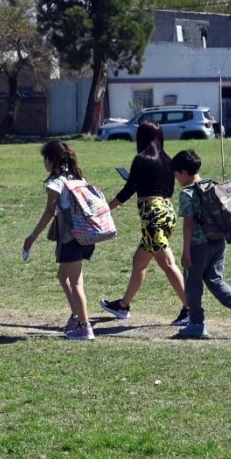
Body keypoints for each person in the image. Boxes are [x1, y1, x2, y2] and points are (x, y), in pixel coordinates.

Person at [100, 120, 189, 325]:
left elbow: (128, 190)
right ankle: (123, 305)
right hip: (167, 213)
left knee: (168, 264)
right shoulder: (168, 160)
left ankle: (191, 308)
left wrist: (105, 209)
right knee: (139, 262)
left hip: (152, 217)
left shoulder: (142, 159)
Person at [170, 150, 231, 338]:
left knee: (192, 283)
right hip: (218, 241)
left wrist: (186, 251)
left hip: (198, 245)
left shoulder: (187, 193)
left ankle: (196, 324)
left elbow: (188, 224)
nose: (175, 178)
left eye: (176, 174)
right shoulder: (211, 186)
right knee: (214, 279)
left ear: (184, 172)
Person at [23, 140, 97, 340]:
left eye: (44, 159)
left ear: (51, 160)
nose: (44, 163)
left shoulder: (56, 183)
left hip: (69, 238)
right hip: (85, 236)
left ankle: (85, 327)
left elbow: (49, 212)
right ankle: (76, 316)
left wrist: (32, 236)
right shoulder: (78, 177)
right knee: (63, 277)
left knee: (76, 283)